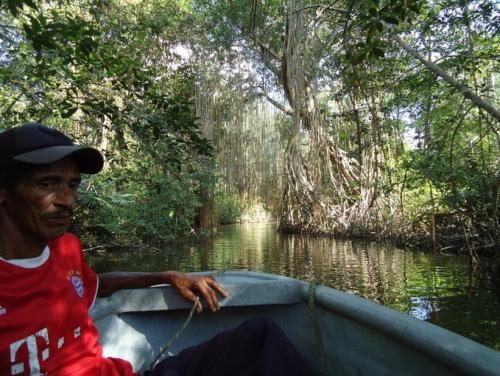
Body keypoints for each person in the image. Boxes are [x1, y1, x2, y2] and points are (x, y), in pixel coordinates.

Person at [0, 123, 315, 375]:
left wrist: (167, 275)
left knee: (259, 337)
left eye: (72, 185)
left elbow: (100, 284)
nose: (67, 200)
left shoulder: (65, 249)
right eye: (47, 184)